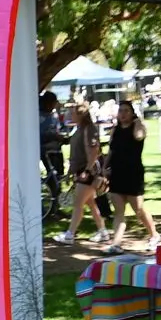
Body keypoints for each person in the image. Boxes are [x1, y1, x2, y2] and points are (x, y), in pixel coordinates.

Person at [102, 99, 161, 254]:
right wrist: (104, 167)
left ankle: (154, 235)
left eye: (126, 111)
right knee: (119, 212)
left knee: (139, 209)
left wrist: (137, 122)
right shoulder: (115, 130)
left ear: (132, 112)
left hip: (133, 173)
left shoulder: (138, 126)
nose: (122, 114)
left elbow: (139, 136)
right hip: (117, 173)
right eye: (120, 111)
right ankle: (116, 244)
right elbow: (111, 150)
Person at [52, 103, 109, 245]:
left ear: (80, 115)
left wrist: (87, 171)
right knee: (90, 203)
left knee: (78, 203)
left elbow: (94, 152)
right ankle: (103, 232)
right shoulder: (79, 129)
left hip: (88, 172)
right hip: (81, 171)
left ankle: (70, 234)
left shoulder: (89, 130)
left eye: (73, 113)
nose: (70, 115)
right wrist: (70, 172)